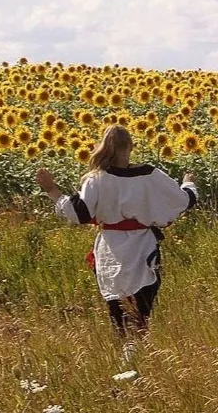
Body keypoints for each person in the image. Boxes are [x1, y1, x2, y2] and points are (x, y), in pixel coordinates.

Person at [36, 124, 198, 349]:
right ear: (131, 146)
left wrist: (53, 191)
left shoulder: (97, 179)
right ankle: (136, 358)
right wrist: (189, 183)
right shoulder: (150, 175)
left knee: (119, 312)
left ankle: (128, 360)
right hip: (142, 249)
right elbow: (182, 200)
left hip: (110, 250)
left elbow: (79, 213)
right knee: (142, 312)